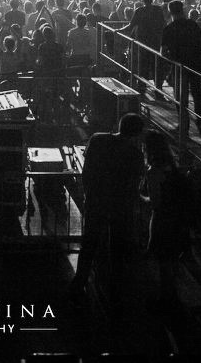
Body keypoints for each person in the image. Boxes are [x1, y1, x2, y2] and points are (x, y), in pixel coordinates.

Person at [68, 113, 146, 300]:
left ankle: (80, 282)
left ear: (120, 125)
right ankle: (115, 289)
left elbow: (87, 171)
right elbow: (134, 185)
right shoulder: (135, 155)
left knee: (89, 243)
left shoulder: (98, 139)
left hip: (96, 200)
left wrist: (88, 193)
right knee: (117, 247)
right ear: (137, 133)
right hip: (120, 206)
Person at [141, 131, 197, 309]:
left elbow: (156, 203)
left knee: (163, 262)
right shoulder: (171, 167)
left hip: (162, 221)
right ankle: (173, 298)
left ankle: (166, 300)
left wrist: (140, 197)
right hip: (177, 220)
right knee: (172, 261)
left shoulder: (153, 172)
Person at [160, 1, 201, 137]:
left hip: (179, 66)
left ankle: (184, 126)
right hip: (195, 64)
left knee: (180, 98)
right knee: (198, 95)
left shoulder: (169, 28)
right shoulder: (193, 25)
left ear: (170, 12)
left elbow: (163, 52)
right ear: (182, 10)